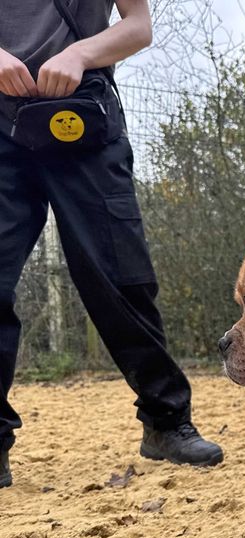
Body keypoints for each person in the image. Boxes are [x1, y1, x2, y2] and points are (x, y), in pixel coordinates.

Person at [0, 0, 223, 489]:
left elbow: (138, 25)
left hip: (83, 112)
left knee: (123, 279)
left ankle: (166, 423)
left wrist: (80, 54)